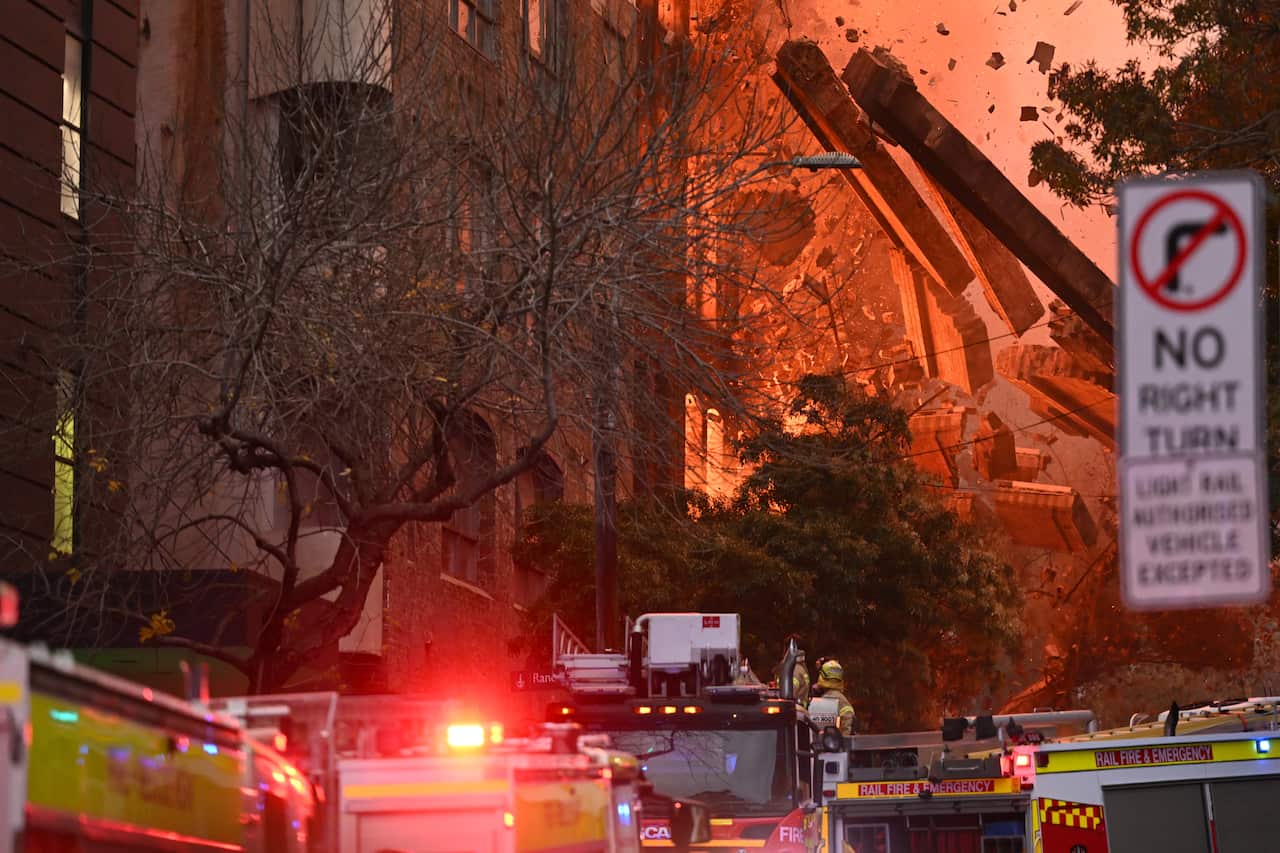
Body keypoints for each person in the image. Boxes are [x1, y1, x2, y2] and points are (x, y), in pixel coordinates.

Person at [808, 659, 855, 737]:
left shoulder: (817, 701)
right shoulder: (841, 700)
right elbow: (848, 719)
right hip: (834, 742)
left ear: (821, 677)